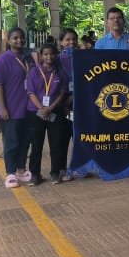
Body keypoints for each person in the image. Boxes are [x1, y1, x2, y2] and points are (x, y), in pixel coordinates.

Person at [0, 27, 33, 188]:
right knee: (11, 142)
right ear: (9, 41)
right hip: (11, 108)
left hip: (28, 108)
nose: (19, 40)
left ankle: (21, 170)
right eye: (15, 38)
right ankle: (10, 173)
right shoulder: (3, 59)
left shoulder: (29, 58)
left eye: (22, 37)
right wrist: (2, 108)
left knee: (25, 141)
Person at [25, 42, 67, 186]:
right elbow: (31, 93)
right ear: (41, 56)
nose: (49, 57)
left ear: (56, 55)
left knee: (56, 143)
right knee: (36, 144)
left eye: (52, 54)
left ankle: (55, 173)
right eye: (46, 54)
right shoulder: (34, 72)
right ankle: (35, 174)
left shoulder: (60, 72)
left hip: (54, 111)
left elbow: (62, 93)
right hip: (36, 111)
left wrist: (50, 109)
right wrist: (42, 108)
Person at [50, 29, 78, 184]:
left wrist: (73, 97)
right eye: (67, 40)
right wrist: (64, 102)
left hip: (79, 102)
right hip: (61, 104)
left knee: (79, 136)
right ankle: (61, 169)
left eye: (74, 39)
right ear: (61, 42)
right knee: (62, 138)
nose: (71, 43)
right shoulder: (56, 60)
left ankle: (80, 166)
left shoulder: (82, 57)